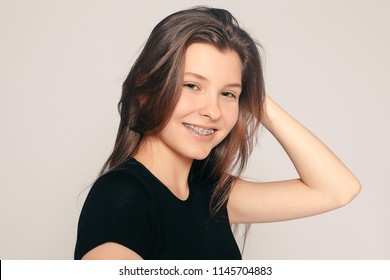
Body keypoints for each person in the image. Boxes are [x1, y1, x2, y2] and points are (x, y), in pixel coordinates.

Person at [74, 6, 360, 260]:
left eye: (227, 93)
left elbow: (337, 190)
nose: (213, 111)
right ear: (146, 91)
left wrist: (256, 97)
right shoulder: (121, 196)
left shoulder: (211, 195)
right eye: (191, 86)